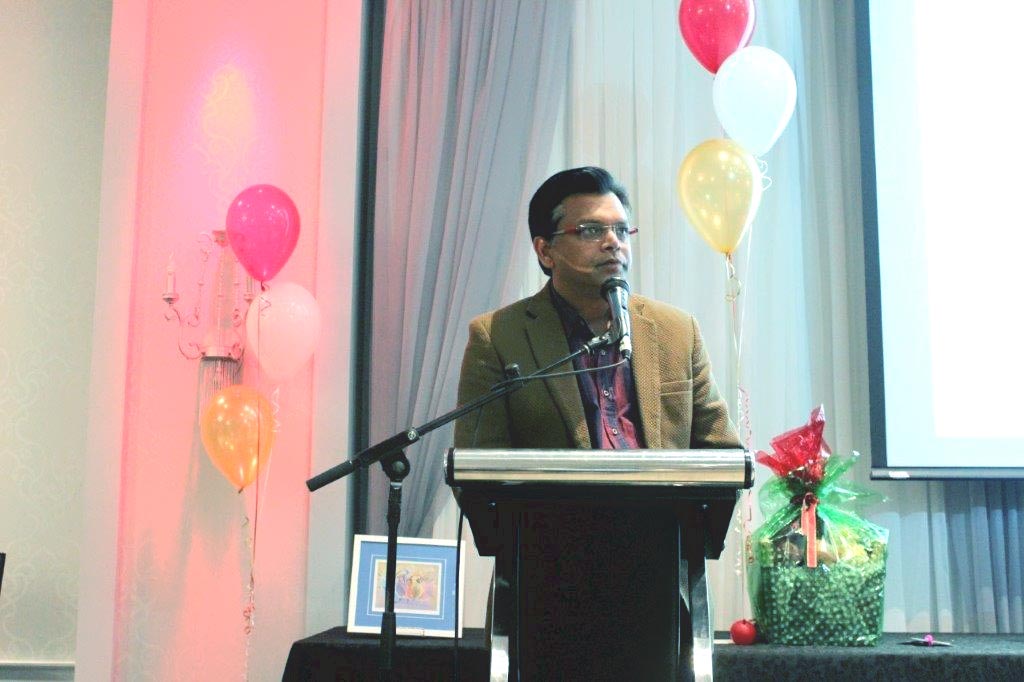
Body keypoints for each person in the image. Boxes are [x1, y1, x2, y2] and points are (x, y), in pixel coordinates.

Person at [454, 166, 740, 451]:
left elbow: (726, 457)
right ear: (545, 251)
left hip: (660, 484)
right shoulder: (498, 338)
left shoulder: (678, 331)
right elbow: (478, 469)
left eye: (621, 230)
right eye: (591, 231)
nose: (613, 242)